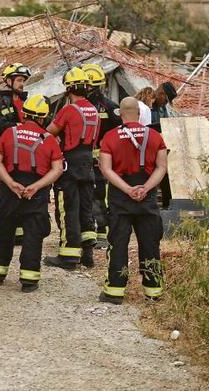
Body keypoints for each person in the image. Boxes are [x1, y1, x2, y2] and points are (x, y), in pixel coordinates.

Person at [0, 95, 63, 291]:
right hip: (36, 192)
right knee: (33, 234)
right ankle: (29, 280)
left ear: (24, 114)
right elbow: (57, 170)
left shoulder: (9, 133)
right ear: (43, 118)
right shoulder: (50, 140)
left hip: (9, 189)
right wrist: (37, 186)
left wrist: (10, 182)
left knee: (4, 230)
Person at [97, 97, 169, 304]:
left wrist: (127, 189)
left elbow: (106, 169)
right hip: (146, 196)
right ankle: (153, 291)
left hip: (121, 196)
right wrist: (146, 188)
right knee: (149, 243)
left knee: (118, 243)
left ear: (120, 114)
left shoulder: (110, 137)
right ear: (139, 113)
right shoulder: (155, 136)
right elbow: (162, 167)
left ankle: (115, 291)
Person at [45, 67, 100, 270]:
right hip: (88, 163)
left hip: (70, 163)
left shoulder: (68, 110)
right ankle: (87, 255)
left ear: (69, 89)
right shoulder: (93, 110)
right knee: (86, 207)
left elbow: (50, 133)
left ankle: (68, 256)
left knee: (68, 208)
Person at [0, 62, 33, 248]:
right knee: (4, 201)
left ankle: (20, 235)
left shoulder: (26, 103)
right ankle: (1, 234)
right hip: (4, 160)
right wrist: (22, 128)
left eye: (24, 80)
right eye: (19, 80)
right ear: (8, 80)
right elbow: (2, 129)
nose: (22, 84)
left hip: (24, 160)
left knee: (23, 198)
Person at [82, 63, 122, 248]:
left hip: (97, 160)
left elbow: (119, 133)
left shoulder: (107, 108)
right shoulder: (106, 107)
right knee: (91, 196)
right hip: (90, 160)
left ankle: (102, 233)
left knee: (98, 196)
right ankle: (93, 232)